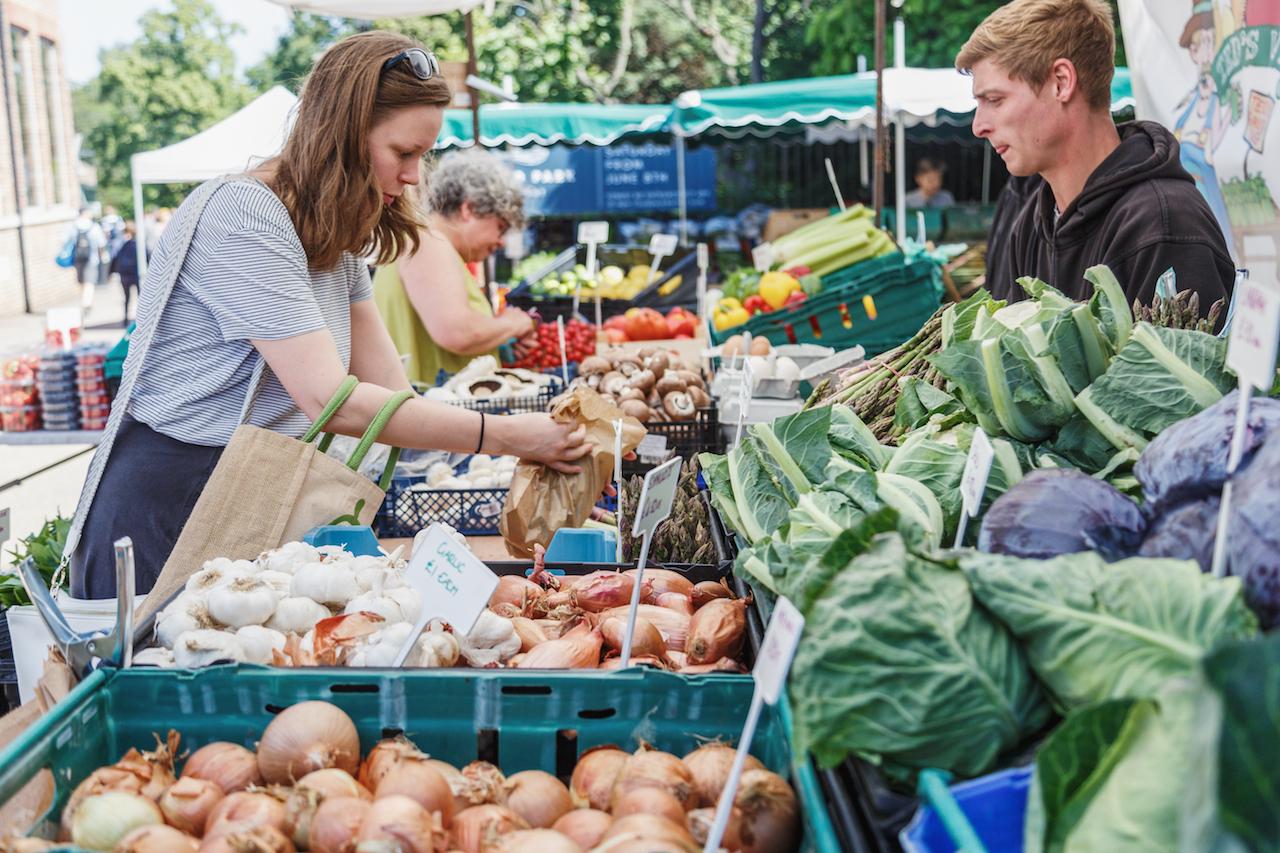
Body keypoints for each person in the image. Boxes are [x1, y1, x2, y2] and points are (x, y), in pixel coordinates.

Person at [67, 32, 591, 599]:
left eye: (423, 155)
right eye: (404, 153)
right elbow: (331, 401)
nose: (416, 176)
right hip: (169, 506)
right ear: (342, 133)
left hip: (251, 493)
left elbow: (390, 392)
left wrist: (519, 440)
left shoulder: (330, 239)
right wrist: (510, 436)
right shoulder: (242, 216)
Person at [957, 0, 1235, 310]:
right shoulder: (1032, 224)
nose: (978, 127)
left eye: (995, 100)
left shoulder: (1164, 225)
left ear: (1061, 82)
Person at [373, 151, 536, 385]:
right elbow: (457, 332)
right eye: (500, 227)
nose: (501, 242)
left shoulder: (433, 246)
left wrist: (498, 341)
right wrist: (514, 323)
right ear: (468, 209)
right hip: (429, 411)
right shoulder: (429, 243)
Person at [65, 208, 107, 312]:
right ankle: (86, 302)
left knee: (82, 280)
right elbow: (101, 243)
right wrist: (102, 256)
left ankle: (84, 299)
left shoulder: (73, 226)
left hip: (77, 257)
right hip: (92, 258)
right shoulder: (94, 226)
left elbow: (66, 241)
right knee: (90, 280)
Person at [109, 222, 143, 325]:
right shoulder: (139, 246)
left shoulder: (121, 245)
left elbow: (114, 259)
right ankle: (141, 319)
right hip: (136, 274)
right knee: (141, 298)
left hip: (125, 275)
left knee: (127, 298)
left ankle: (125, 320)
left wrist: (110, 273)